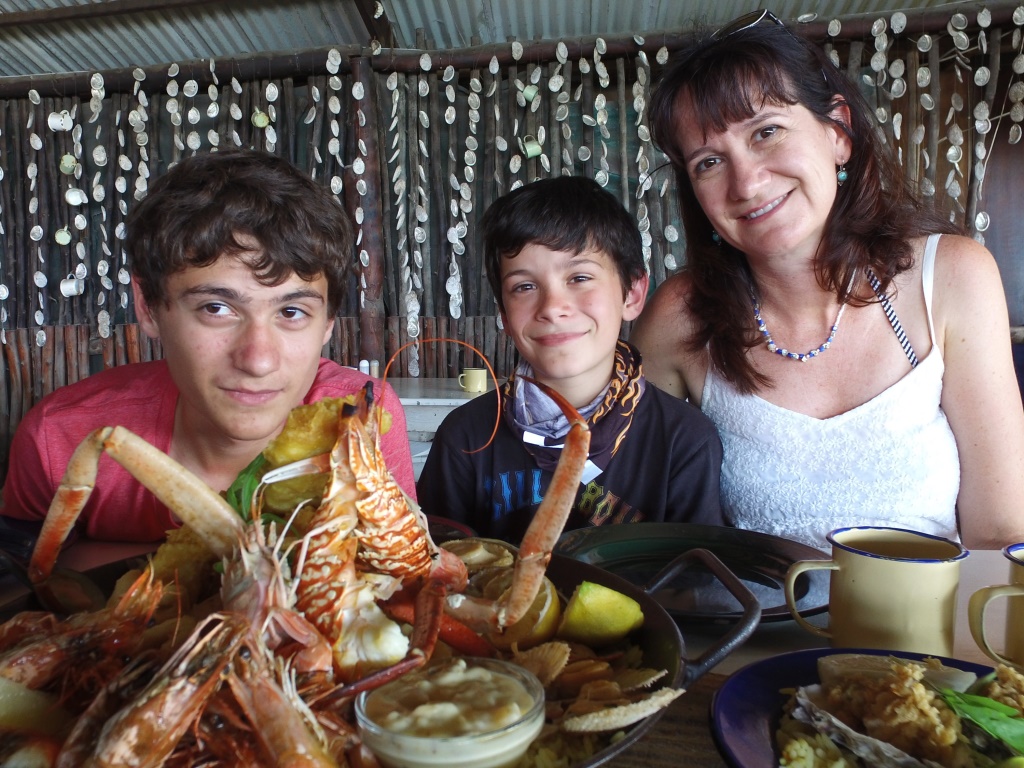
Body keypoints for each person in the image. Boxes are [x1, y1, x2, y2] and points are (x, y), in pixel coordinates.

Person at [631, 10, 1024, 552]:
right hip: (742, 635)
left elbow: (1002, 535)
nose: (747, 182)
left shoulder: (952, 277)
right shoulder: (680, 317)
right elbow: (637, 520)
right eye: (708, 162)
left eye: (766, 132)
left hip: (923, 630)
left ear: (838, 131)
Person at [1, 148, 415, 542]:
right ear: (148, 308)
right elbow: (25, 586)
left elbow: (400, 570)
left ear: (328, 323)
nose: (257, 360)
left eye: (291, 313)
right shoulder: (59, 440)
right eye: (216, 308)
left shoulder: (360, 416)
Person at [417, 176, 724, 544]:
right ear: (504, 314)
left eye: (579, 277)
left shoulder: (683, 441)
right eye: (525, 287)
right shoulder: (465, 436)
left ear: (632, 294)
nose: (552, 308)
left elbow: (693, 586)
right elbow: (434, 567)